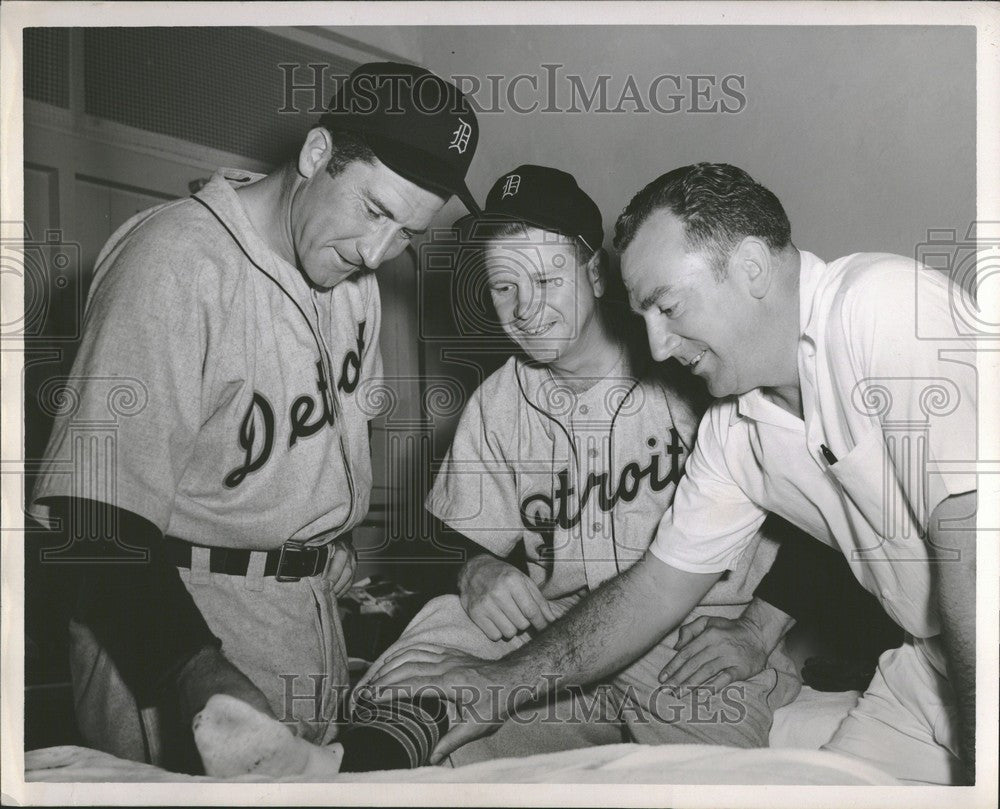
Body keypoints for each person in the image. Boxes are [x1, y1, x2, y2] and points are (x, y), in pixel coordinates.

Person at [369, 163, 978, 785]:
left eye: (668, 305)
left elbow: (976, 547)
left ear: (749, 267)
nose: (658, 346)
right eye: (504, 286)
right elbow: (655, 589)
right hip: (921, 668)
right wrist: (496, 675)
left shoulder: (877, 307)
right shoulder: (735, 422)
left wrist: (759, 626)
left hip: (718, 656)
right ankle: (361, 756)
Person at [29, 61, 481, 772]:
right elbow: (92, 523)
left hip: (301, 620)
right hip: (170, 634)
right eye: (374, 210)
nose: (377, 251)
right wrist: (195, 672)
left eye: (406, 233)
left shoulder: (354, 285)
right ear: (317, 153)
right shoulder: (176, 261)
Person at [357, 164, 802, 765]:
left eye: (546, 277)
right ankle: (347, 768)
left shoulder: (693, 356)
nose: (524, 308)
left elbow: (828, 515)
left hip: (693, 640)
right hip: (556, 632)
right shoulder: (498, 402)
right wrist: (476, 567)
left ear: (593, 271)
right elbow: (453, 535)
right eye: (503, 285)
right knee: (428, 647)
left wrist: (758, 630)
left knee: (714, 780)